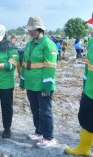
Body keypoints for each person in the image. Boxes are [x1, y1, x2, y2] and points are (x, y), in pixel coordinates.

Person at [20, 16, 57, 148]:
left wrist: (46, 87)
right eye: (29, 29)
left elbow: (50, 68)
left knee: (45, 111)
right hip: (31, 85)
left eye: (33, 29)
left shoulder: (48, 44)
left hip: (43, 86)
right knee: (35, 110)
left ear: (40, 29)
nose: (30, 31)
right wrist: (22, 80)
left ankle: (49, 137)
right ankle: (39, 131)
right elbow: (25, 64)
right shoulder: (29, 44)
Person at [65, 16, 93, 156]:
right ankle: (84, 148)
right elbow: (88, 68)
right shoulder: (92, 42)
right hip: (89, 90)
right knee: (86, 118)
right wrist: (84, 87)